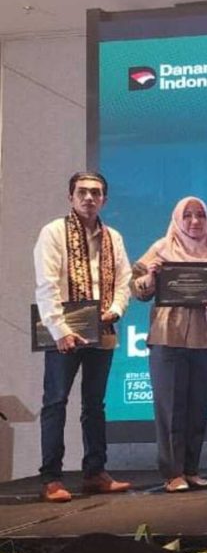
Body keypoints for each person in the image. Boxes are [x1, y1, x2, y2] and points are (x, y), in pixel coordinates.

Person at [33, 170, 133, 502]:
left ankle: (95, 472)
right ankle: (51, 478)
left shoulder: (113, 237)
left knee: (95, 404)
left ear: (104, 199)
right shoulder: (54, 232)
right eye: (82, 192)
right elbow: (46, 285)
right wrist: (59, 330)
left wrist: (115, 310)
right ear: (71, 197)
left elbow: (124, 281)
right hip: (63, 332)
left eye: (96, 192)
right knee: (55, 402)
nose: (89, 197)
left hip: (101, 328)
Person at [131, 197, 207, 493]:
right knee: (171, 408)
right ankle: (172, 472)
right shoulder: (161, 248)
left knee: (198, 406)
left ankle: (191, 469)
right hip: (168, 336)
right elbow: (138, 291)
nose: (194, 221)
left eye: (200, 215)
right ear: (178, 219)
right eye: (187, 216)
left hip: (206, 337)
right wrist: (150, 275)